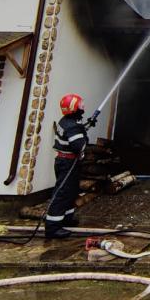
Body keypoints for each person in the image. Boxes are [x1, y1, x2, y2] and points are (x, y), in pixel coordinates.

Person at [45, 93, 92, 239]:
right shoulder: (72, 126)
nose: (83, 106)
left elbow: (75, 131)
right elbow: (80, 145)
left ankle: (66, 219)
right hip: (68, 163)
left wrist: (86, 125)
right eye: (80, 104)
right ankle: (52, 228)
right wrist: (83, 132)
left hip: (66, 161)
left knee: (71, 191)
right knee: (62, 193)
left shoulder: (67, 121)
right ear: (73, 108)